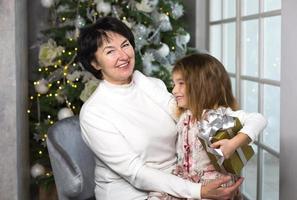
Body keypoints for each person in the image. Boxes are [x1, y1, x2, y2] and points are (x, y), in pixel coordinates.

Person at [77, 16, 248, 200]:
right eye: (110, 51)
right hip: (132, 193)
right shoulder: (94, 112)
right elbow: (136, 173)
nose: (123, 56)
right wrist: (197, 191)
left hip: (181, 178)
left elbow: (192, 119)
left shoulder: (152, 85)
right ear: (95, 63)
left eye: (125, 45)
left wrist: (235, 138)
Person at [147, 53, 267, 200]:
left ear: (201, 85)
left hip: (213, 182)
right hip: (187, 178)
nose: (174, 90)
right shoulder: (185, 114)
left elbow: (258, 119)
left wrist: (233, 144)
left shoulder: (217, 116)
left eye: (181, 83)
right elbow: (156, 95)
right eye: (174, 84)